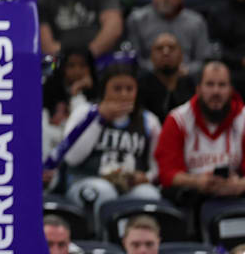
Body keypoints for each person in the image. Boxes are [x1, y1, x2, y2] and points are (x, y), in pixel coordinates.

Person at [47, 64, 162, 225]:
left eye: (129, 89)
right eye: (117, 88)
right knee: (102, 191)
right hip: (85, 181)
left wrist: (146, 178)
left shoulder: (149, 121)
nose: (124, 94)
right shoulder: (85, 112)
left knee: (149, 196)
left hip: (129, 186)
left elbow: (156, 166)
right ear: (104, 90)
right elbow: (72, 158)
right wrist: (99, 119)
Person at [155, 61, 245, 204]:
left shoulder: (243, 119)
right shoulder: (178, 119)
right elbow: (166, 173)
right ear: (198, 89)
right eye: (209, 84)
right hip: (190, 197)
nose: (216, 91)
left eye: (222, 85)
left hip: (235, 196)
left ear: (231, 90)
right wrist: (197, 182)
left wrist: (239, 185)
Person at [126, 0, 211, 73]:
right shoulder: (137, 20)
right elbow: (133, 59)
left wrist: (185, 70)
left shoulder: (197, 22)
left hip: (186, 80)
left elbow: (203, 60)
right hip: (148, 79)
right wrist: (157, 69)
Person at [137, 33, 196, 122]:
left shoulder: (190, 85)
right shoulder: (140, 86)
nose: (165, 52)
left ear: (181, 56)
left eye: (171, 48)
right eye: (159, 48)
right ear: (151, 56)